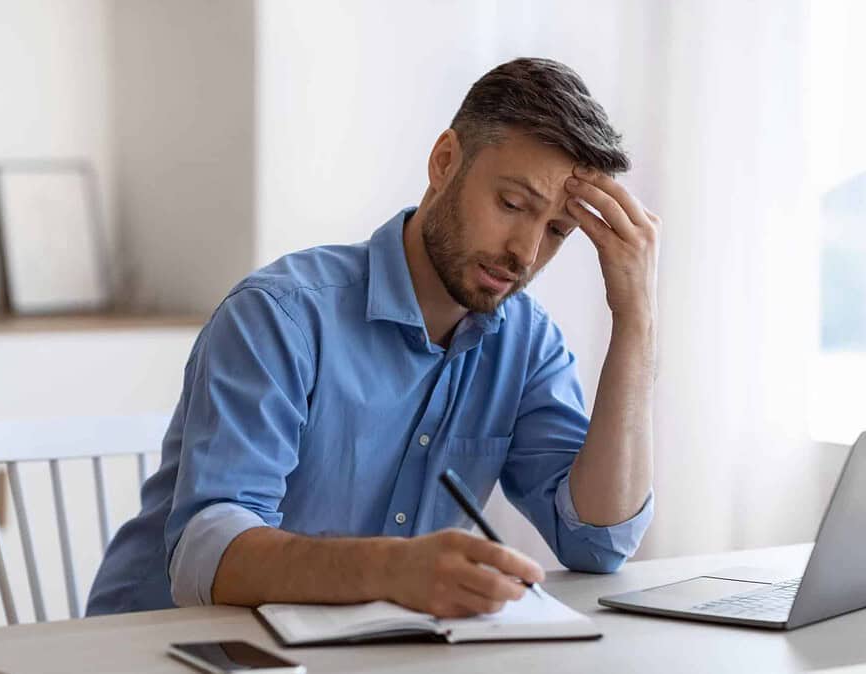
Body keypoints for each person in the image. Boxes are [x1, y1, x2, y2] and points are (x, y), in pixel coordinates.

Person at [87, 57, 659, 619]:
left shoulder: (527, 345)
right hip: (160, 649)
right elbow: (206, 554)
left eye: (557, 230)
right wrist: (391, 571)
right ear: (444, 162)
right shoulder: (279, 317)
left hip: (348, 655)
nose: (526, 253)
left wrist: (635, 320)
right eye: (512, 204)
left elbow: (597, 543)